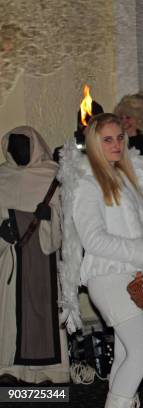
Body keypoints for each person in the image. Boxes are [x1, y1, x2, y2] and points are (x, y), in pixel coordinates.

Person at [70, 113, 143, 407]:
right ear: (93, 144)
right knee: (142, 354)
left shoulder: (123, 179)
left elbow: (139, 232)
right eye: (107, 139)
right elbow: (93, 240)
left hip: (130, 277)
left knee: (127, 354)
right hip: (108, 278)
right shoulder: (88, 184)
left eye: (119, 137)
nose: (116, 144)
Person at [0, 127, 68, 383]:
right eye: (13, 146)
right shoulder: (2, 177)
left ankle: (47, 375)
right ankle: (10, 370)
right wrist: (2, 235)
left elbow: (65, 221)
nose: (18, 151)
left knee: (43, 313)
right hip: (11, 262)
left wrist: (49, 217)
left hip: (43, 259)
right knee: (11, 318)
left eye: (23, 145)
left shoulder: (51, 175)